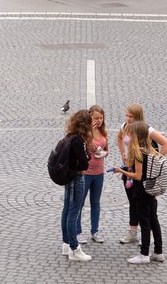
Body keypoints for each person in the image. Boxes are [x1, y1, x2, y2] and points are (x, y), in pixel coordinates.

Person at [116, 103, 167, 245]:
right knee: (132, 202)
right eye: (127, 115)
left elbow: (166, 144)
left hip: (143, 172)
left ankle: (149, 234)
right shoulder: (124, 127)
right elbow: (120, 137)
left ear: (138, 117)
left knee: (147, 205)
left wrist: (154, 161)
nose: (128, 118)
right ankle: (133, 232)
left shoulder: (146, 130)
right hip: (129, 169)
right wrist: (123, 153)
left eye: (131, 116)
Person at [114, 121, 164, 265]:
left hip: (141, 190)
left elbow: (137, 175)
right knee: (154, 219)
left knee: (144, 221)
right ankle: (158, 252)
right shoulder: (152, 149)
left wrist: (121, 170)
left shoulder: (139, 153)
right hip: (152, 188)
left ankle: (144, 254)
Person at [59, 109, 93, 261]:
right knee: (73, 213)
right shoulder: (79, 141)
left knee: (66, 210)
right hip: (77, 178)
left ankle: (66, 243)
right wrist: (88, 153)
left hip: (68, 177)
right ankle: (74, 248)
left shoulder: (69, 136)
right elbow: (85, 164)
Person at [80, 105, 108, 244]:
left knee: (95, 202)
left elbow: (106, 149)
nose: (99, 120)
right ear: (90, 117)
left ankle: (95, 230)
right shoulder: (85, 132)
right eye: (96, 118)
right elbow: (85, 146)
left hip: (99, 172)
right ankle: (78, 231)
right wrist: (89, 130)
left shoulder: (102, 131)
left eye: (101, 118)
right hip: (86, 172)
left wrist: (105, 153)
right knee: (79, 202)